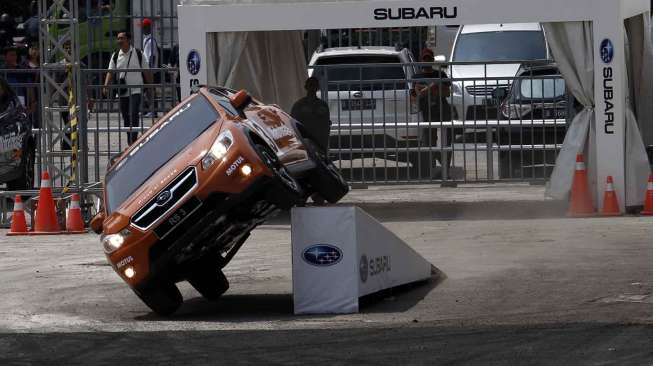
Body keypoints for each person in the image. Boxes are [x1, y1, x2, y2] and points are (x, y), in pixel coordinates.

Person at [103, 32, 152, 145]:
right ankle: (130, 139)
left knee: (133, 113)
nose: (119, 41)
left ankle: (133, 141)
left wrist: (150, 86)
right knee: (125, 116)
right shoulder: (115, 55)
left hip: (136, 90)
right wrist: (106, 86)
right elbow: (110, 71)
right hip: (122, 91)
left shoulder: (138, 53)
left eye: (122, 38)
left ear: (128, 40)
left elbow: (146, 71)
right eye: (118, 38)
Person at [413, 48, 453, 173]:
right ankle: (432, 167)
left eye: (429, 58)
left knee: (447, 140)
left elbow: (447, 93)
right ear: (421, 60)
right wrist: (433, 86)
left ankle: (445, 168)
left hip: (442, 110)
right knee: (428, 141)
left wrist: (428, 89)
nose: (427, 61)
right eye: (425, 59)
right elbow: (415, 95)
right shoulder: (416, 76)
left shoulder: (441, 74)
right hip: (426, 112)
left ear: (432, 59)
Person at [291, 77, 331, 153]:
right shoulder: (299, 105)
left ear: (317, 87)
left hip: (319, 141)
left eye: (314, 85)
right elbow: (293, 123)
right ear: (306, 87)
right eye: (311, 85)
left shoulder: (322, 105)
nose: (312, 88)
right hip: (305, 140)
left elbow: (326, 125)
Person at [141, 18, 158, 117]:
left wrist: (149, 72)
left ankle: (153, 111)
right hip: (147, 70)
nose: (142, 29)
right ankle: (149, 109)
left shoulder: (151, 41)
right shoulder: (146, 40)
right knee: (148, 91)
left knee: (150, 90)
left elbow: (152, 57)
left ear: (148, 28)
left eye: (144, 27)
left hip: (150, 71)